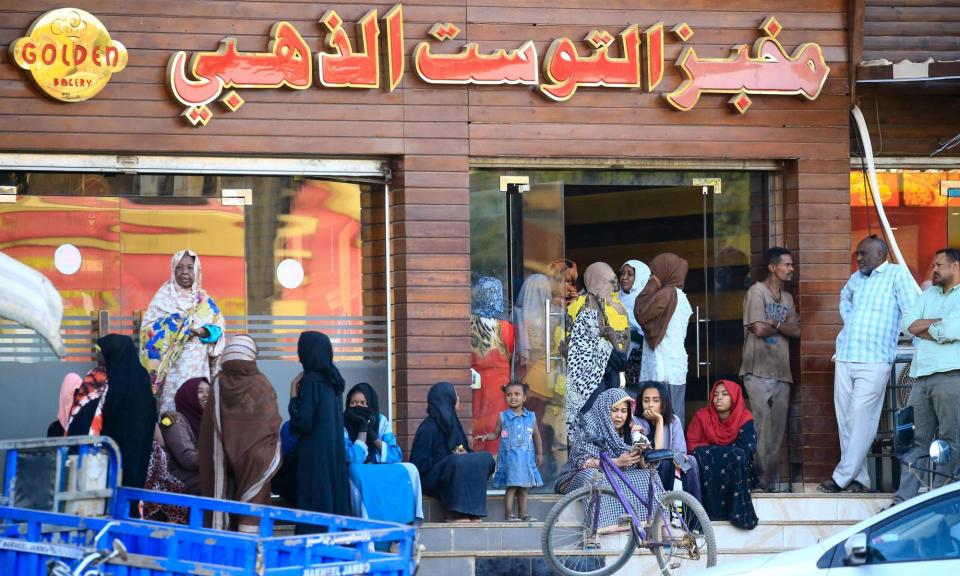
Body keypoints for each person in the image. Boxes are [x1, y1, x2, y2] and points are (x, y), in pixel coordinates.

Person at [819, 236, 917, 494]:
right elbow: (845, 299)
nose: (859, 258)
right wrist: (852, 321)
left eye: (863, 254)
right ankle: (859, 479)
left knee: (862, 419)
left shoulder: (897, 275)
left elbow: (911, 313)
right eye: (857, 254)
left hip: (874, 359)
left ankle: (841, 477)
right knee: (846, 421)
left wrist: (921, 346)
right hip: (845, 355)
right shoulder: (856, 278)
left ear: (881, 253)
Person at [894, 248, 960, 504]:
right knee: (914, 441)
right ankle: (904, 501)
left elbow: (953, 329)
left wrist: (928, 326)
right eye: (933, 265)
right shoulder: (928, 294)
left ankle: (941, 499)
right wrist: (938, 323)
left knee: (951, 440)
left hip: (951, 376)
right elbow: (907, 325)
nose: (933, 270)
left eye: (939, 265)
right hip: (920, 377)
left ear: (955, 267)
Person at [555, 388, 661, 530]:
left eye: (624, 411)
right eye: (614, 410)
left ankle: (653, 525)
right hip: (578, 475)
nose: (619, 416)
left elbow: (645, 465)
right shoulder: (589, 425)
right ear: (604, 409)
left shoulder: (633, 428)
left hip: (615, 473)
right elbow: (584, 463)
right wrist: (617, 462)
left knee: (649, 476)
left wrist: (641, 454)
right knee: (595, 478)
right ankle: (602, 529)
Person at [740, 247, 801, 492]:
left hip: (781, 370)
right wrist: (781, 324)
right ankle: (758, 477)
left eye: (792, 265)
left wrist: (773, 323)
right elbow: (758, 329)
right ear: (772, 267)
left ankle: (768, 478)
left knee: (776, 430)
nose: (791, 269)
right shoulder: (757, 292)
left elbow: (797, 330)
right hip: (757, 370)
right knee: (760, 426)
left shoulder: (787, 299)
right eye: (787, 265)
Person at [140, 249, 226, 412]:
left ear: (197, 270)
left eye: (189, 267)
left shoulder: (205, 302)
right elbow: (147, 332)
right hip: (170, 372)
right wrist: (177, 328)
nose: (184, 272)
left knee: (198, 407)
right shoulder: (163, 299)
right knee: (172, 414)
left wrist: (202, 332)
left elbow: (218, 330)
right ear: (173, 270)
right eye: (179, 267)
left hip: (197, 368)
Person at [288, 331, 351, 532]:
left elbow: (302, 423)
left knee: (314, 502)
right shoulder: (333, 381)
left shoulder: (311, 381)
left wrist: (293, 395)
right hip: (333, 452)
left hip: (314, 454)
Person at [565, 262, 629, 448]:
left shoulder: (618, 308)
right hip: (587, 379)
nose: (613, 287)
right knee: (589, 424)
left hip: (610, 375)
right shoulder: (578, 306)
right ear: (596, 281)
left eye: (614, 283)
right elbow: (572, 343)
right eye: (609, 282)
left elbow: (621, 347)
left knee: (611, 422)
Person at [411, 382, 496, 523]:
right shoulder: (428, 427)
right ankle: (455, 514)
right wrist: (450, 458)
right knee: (457, 461)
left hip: (454, 470)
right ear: (447, 399)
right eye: (455, 395)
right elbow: (419, 465)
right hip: (430, 479)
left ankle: (472, 511)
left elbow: (465, 450)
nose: (459, 398)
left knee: (485, 458)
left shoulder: (454, 425)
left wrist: (464, 455)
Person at [343, 382, 423, 524]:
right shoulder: (341, 422)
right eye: (353, 403)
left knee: (411, 468)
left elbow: (395, 455)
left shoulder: (380, 421)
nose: (358, 407)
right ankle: (369, 529)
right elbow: (352, 458)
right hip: (359, 470)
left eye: (363, 403)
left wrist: (373, 437)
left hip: (379, 467)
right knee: (354, 470)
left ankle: (407, 523)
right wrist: (362, 429)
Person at [687, 380, 758, 530]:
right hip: (707, 470)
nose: (718, 397)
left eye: (725, 394)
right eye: (716, 394)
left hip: (737, 471)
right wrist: (725, 452)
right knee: (700, 456)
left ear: (735, 397)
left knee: (738, 456)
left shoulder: (744, 418)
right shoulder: (702, 416)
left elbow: (747, 449)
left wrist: (715, 451)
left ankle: (736, 512)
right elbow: (692, 446)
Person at [634, 253, 693, 424]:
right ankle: (675, 450)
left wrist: (654, 283)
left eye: (654, 273)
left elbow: (641, 311)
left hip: (662, 365)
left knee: (661, 417)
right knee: (673, 417)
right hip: (674, 366)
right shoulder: (680, 296)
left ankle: (664, 451)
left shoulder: (668, 294)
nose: (651, 278)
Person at [474, 381, 543, 521]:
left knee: (524, 487)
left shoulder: (531, 417)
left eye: (517, 394)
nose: (513, 397)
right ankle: (509, 514)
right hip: (510, 459)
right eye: (509, 395)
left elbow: (537, 436)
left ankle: (523, 513)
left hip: (526, 459)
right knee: (511, 487)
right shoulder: (503, 417)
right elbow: (495, 433)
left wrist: (540, 454)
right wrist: (486, 437)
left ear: (524, 397)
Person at [98, 334, 158, 490]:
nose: (99, 356)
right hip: (139, 449)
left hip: (112, 447)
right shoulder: (141, 377)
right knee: (132, 487)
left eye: (102, 352)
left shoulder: (109, 379)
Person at [630, 381, 701, 503]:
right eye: (646, 400)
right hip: (647, 468)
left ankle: (694, 512)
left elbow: (679, 452)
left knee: (691, 461)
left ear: (663, 403)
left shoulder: (674, 421)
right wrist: (659, 421)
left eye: (656, 400)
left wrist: (680, 461)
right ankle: (666, 510)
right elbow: (655, 456)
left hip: (671, 463)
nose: (650, 405)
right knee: (665, 463)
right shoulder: (635, 422)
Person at [470, 276, 515, 457]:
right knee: (497, 421)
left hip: (475, 382)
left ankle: (476, 456)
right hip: (499, 384)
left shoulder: (468, 323)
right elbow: (510, 353)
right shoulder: (505, 327)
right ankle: (495, 463)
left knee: (476, 418)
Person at [160, 377, 208, 495]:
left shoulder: (209, 422)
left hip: (198, 474)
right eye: (200, 392)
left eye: (209, 392)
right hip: (180, 478)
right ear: (188, 396)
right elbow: (188, 459)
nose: (206, 395)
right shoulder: (175, 420)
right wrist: (219, 459)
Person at [619, 260, 651, 388]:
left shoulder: (646, 300)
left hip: (637, 360)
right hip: (616, 358)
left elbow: (648, 332)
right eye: (622, 273)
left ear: (640, 277)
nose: (624, 277)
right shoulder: (614, 298)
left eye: (630, 274)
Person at [48, 373, 81, 437]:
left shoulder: (87, 426)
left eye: (79, 394)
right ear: (64, 397)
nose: (76, 399)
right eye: (73, 394)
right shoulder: (54, 429)